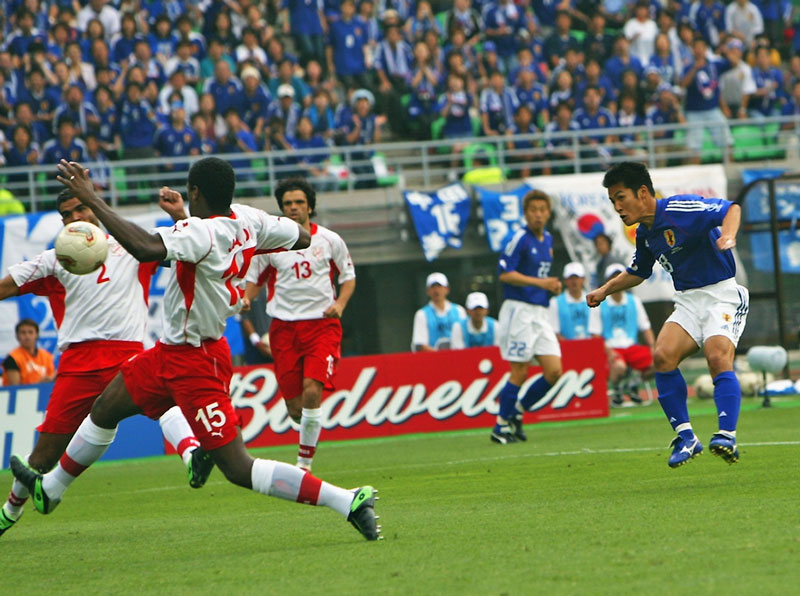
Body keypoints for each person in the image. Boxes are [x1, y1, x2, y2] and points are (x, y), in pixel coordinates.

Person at [10, 157, 380, 542]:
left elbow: (144, 247)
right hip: (167, 353)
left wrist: (94, 199)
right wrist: (238, 246)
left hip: (196, 360)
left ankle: (347, 499)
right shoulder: (249, 220)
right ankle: (51, 488)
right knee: (104, 409)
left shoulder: (199, 232)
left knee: (238, 468)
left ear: (195, 192)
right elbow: (302, 238)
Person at [0, 189, 210, 539]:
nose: (77, 216)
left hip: (126, 355)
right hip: (77, 366)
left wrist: (179, 215)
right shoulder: (54, 259)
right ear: (62, 221)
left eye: (81, 207)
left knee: (163, 401)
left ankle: (192, 456)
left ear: (94, 209)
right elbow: (6, 285)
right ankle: (10, 512)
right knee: (43, 456)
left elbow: (190, 249)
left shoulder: (133, 246)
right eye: (68, 213)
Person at [588, 162, 748, 468]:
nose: (618, 207)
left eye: (621, 198)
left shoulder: (681, 208)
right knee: (661, 356)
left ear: (643, 192)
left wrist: (728, 237)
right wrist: (604, 291)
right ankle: (687, 438)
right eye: (613, 202)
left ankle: (727, 435)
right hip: (688, 300)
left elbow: (731, 208)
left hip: (721, 294)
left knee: (717, 358)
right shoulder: (645, 234)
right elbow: (638, 272)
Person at [244, 177, 355, 473]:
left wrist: (340, 304)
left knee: (311, 391)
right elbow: (255, 282)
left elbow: (348, 276)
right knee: (296, 409)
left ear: (310, 206)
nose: (294, 208)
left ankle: (303, 466)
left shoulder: (330, 240)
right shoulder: (271, 246)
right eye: (288, 204)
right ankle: (308, 427)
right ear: (282, 209)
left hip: (322, 326)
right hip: (284, 329)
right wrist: (244, 300)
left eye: (299, 203)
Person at [492, 190, 563, 445]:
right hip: (519, 310)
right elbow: (504, 274)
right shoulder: (519, 238)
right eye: (533, 210)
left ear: (548, 213)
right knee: (519, 371)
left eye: (543, 210)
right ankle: (500, 427)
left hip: (540, 312)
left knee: (554, 371)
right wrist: (542, 283)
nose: (538, 214)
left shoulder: (548, 239)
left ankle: (517, 413)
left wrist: (552, 287)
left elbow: (540, 277)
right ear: (526, 213)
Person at [597, 263, 655, 407]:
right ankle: (616, 389)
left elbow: (645, 327)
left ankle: (633, 384)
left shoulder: (633, 301)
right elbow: (595, 335)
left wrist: (653, 347)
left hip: (631, 346)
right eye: (613, 278)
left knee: (659, 361)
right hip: (611, 348)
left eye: (619, 277)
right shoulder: (601, 303)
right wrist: (609, 352)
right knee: (619, 366)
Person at [411, 272, 466, 352]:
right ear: (428, 291)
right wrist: (442, 358)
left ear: (447, 289)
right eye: (433, 287)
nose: (436, 290)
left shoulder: (459, 310)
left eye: (439, 286)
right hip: (432, 361)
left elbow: (465, 339)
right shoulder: (421, 314)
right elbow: (421, 345)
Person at [549, 262, 600, 341]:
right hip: (566, 348)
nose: (574, 281)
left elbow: (596, 331)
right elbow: (555, 332)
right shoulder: (555, 302)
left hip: (590, 347)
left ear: (583, 279)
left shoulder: (593, 299)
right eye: (570, 278)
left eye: (577, 277)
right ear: (565, 281)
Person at [2, 319, 56, 386]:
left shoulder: (47, 356)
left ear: (37, 335)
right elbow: (15, 388)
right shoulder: (12, 358)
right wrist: (40, 384)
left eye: (30, 332)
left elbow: (51, 380)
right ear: (17, 336)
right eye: (23, 333)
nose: (27, 336)